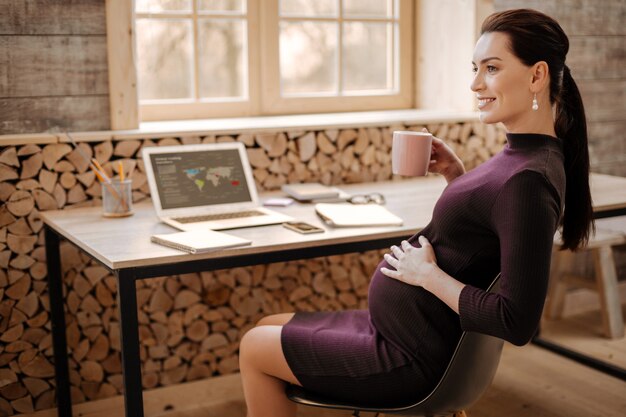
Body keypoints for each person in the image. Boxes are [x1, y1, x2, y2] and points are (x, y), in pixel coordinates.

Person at [238, 8, 594, 417]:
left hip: (411, 359)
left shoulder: (529, 181)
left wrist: (428, 277)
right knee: (268, 323)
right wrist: (456, 176)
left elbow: (517, 322)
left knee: (254, 346)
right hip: (403, 333)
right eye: (475, 68)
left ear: (537, 76)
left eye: (492, 68)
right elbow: (485, 232)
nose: (476, 83)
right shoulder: (523, 154)